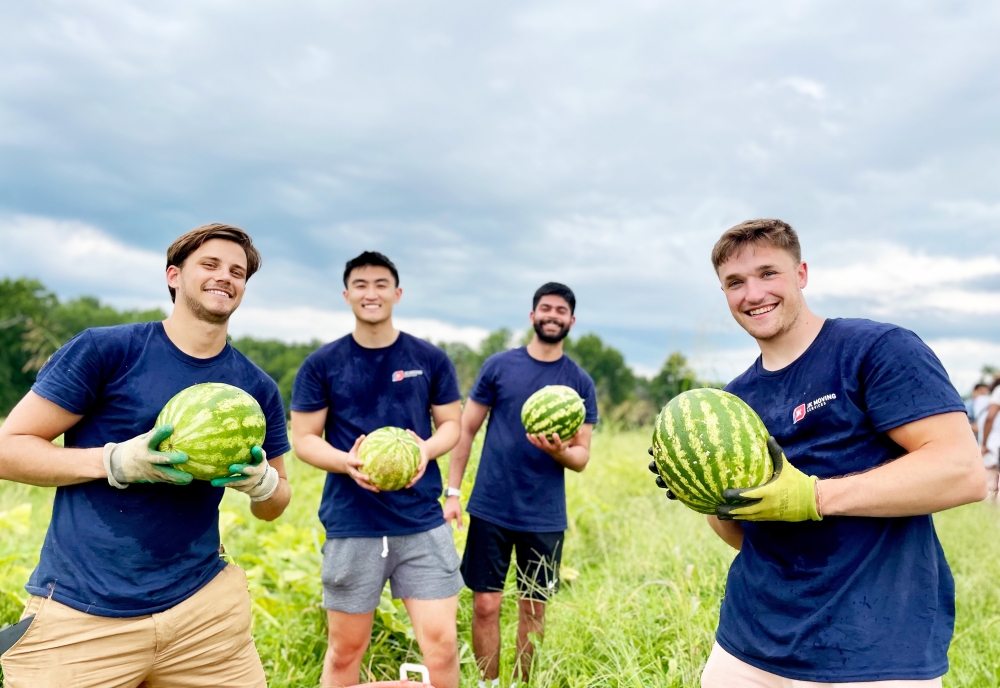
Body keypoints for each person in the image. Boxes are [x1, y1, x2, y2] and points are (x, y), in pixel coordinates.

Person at [651, 219, 984, 687]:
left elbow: (963, 471)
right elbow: (747, 536)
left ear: (801, 273)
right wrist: (705, 495)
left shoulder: (876, 350)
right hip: (747, 649)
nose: (753, 294)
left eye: (769, 273)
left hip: (874, 651)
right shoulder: (735, 398)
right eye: (735, 283)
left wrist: (813, 496)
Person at [0, 224, 292, 688]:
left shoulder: (255, 387)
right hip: (83, 614)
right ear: (174, 275)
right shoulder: (107, 350)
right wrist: (114, 463)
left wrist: (264, 486)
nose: (225, 277)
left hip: (203, 616)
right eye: (210, 265)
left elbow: (276, 506)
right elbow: (7, 450)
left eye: (237, 272)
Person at [290, 251, 463, 688]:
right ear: (347, 294)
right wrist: (346, 463)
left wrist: (424, 451)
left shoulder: (430, 358)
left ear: (397, 293)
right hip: (354, 524)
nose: (372, 293)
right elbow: (304, 439)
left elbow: (452, 425)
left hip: (421, 520)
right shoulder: (322, 364)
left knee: (441, 647)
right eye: (361, 285)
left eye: (381, 284)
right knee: (346, 651)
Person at [446, 282, 598, 687]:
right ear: (533, 316)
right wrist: (453, 492)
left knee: (534, 610)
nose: (553, 315)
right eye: (545, 308)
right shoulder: (499, 366)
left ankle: (520, 684)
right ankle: (488, 684)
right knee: (485, 604)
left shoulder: (579, 383)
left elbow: (582, 457)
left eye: (561, 310)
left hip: (544, 515)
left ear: (571, 320)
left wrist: (559, 452)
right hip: (491, 506)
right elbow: (466, 430)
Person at [976, 377, 1000, 495]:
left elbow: (990, 417)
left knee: (990, 485)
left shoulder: (998, 391)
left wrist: (984, 444)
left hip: (994, 444)